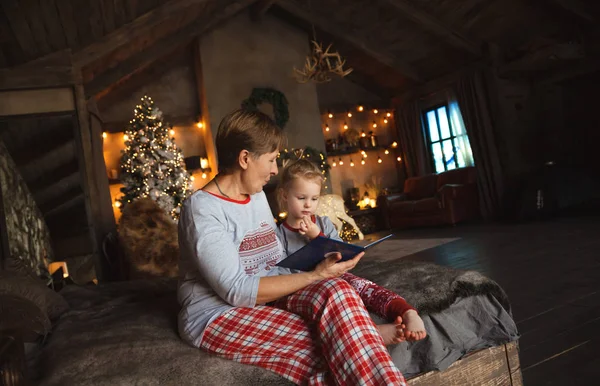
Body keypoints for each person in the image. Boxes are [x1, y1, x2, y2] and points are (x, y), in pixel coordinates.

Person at [177, 109, 407, 385]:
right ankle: (362, 335)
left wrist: (322, 263)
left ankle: (357, 336)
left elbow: (274, 260)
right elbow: (237, 291)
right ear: (245, 159)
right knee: (321, 346)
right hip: (216, 312)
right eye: (272, 160)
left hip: (271, 293)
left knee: (338, 288)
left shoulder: (257, 194)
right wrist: (315, 275)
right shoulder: (202, 208)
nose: (275, 170)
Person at [276, 159, 427, 344]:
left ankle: (406, 311)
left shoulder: (323, 223)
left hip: (335, 277)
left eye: (314, 199)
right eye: (301, 198)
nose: (308, 205)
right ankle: (371, 332)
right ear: (284, 196)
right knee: (325, 306)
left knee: (360, 285)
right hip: (306, 288)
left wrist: (317, 236)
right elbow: (282, 275)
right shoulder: (279, 234)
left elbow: (339, 253)